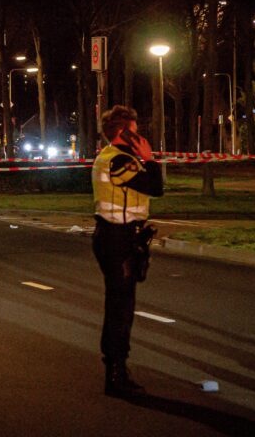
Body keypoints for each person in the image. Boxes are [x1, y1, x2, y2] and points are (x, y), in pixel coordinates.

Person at [91, 105, 164, 397]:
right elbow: (155, 187)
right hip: (117, 239)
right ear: (123, 133)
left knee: (121, 305)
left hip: (117, 238)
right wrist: (150, 159)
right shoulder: (120, 161)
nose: (140, 137)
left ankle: (118, 368)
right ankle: (115, 372)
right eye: (135, 132)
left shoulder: (110, 157)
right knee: (120, 309)